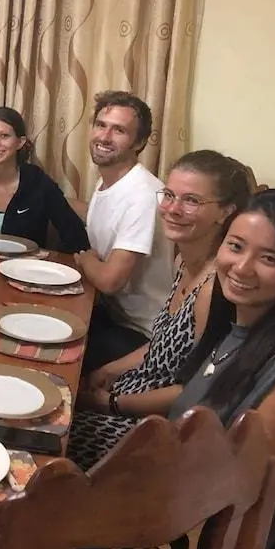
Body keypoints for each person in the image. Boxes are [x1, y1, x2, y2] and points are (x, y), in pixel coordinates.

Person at [170, 190, 275, 549]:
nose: (242, 267)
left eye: (268, 258)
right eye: (236, 246)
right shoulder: (234, 330)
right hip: (174, 503)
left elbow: (229, 493)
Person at [66, 150, 251, 469]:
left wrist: (111, 403)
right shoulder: (183, 262)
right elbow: (162, 344)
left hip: (159, 428)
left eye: (191, 201)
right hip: (135, 393)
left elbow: (195, 392)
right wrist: (108, 371)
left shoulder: (214, 290)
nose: (173, 209)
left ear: (225, 212)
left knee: (51, 440)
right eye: (169, 195)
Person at [73, 91, 174, 373]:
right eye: (101, 125)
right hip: (112, 315)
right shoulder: (110, 180)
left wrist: (87, 259)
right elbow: (102, 217)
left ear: (139, 142)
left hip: (142, 335)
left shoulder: (143, 195)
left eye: (119, 130)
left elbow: (110, 281)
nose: (104, 137)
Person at [0, 107, 88, 250]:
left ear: (20, 142)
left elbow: (76, 237)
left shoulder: (38, 183)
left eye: (4, 136)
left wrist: (49, 260)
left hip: (25, 263)